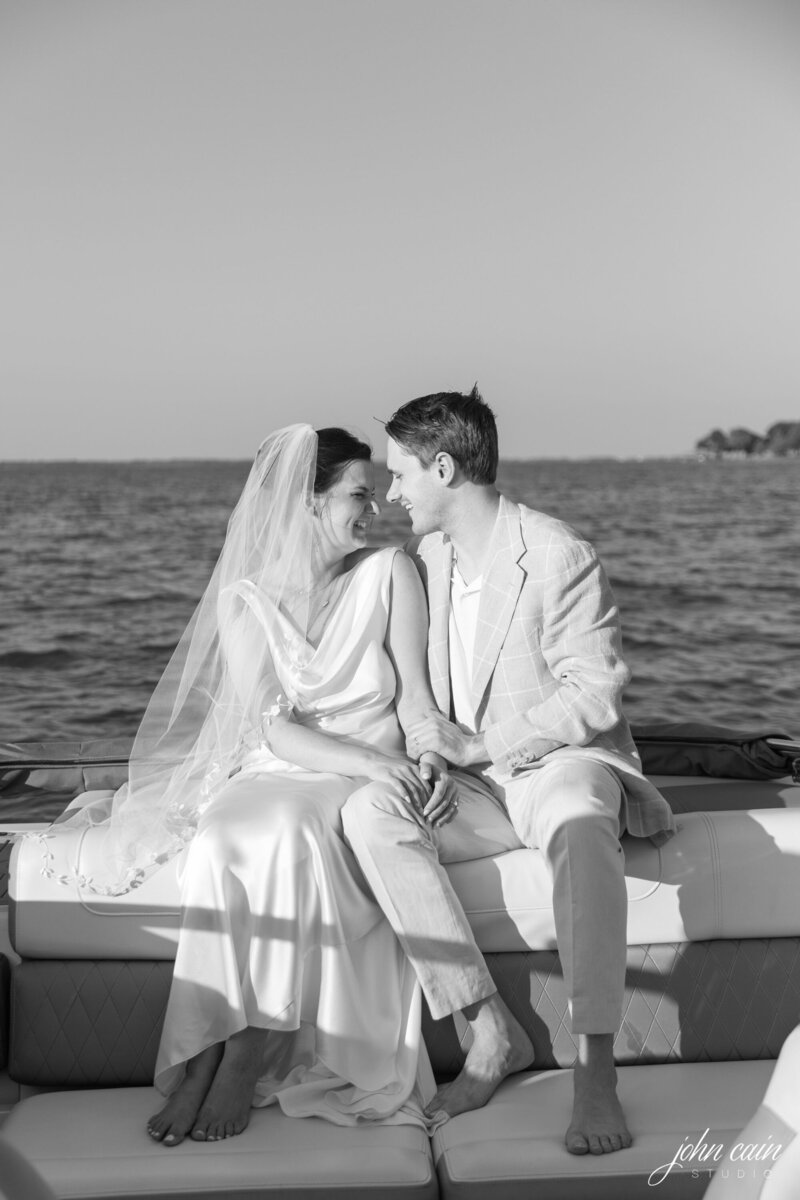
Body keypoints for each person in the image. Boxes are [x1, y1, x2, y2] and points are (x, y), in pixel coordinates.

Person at [57, 424, 459, 1146]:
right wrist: (377, 765)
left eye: (376, 494)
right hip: (282, 765)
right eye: (359, 495)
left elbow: (416, 702)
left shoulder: (390, 572)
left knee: (289, 830)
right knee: (221, 837)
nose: (376, 509)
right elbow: (274, 730)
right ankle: (204, 1051)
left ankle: (245, 1051)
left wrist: (423, 756)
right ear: (308, 502)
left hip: (351, 777)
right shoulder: (245, 599)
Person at [342, 387, 676, 1157]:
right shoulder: (425, 560)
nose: (390, 494)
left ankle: (595, 1070)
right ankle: (488, 1028)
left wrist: (480, 745)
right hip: (475, 786)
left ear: (444, 469)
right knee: (370, 813)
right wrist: (434, 756)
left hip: (560, 764)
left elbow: (593, 693)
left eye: (400, 474)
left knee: (578, 819)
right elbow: (425, 701)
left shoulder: (557, 552)